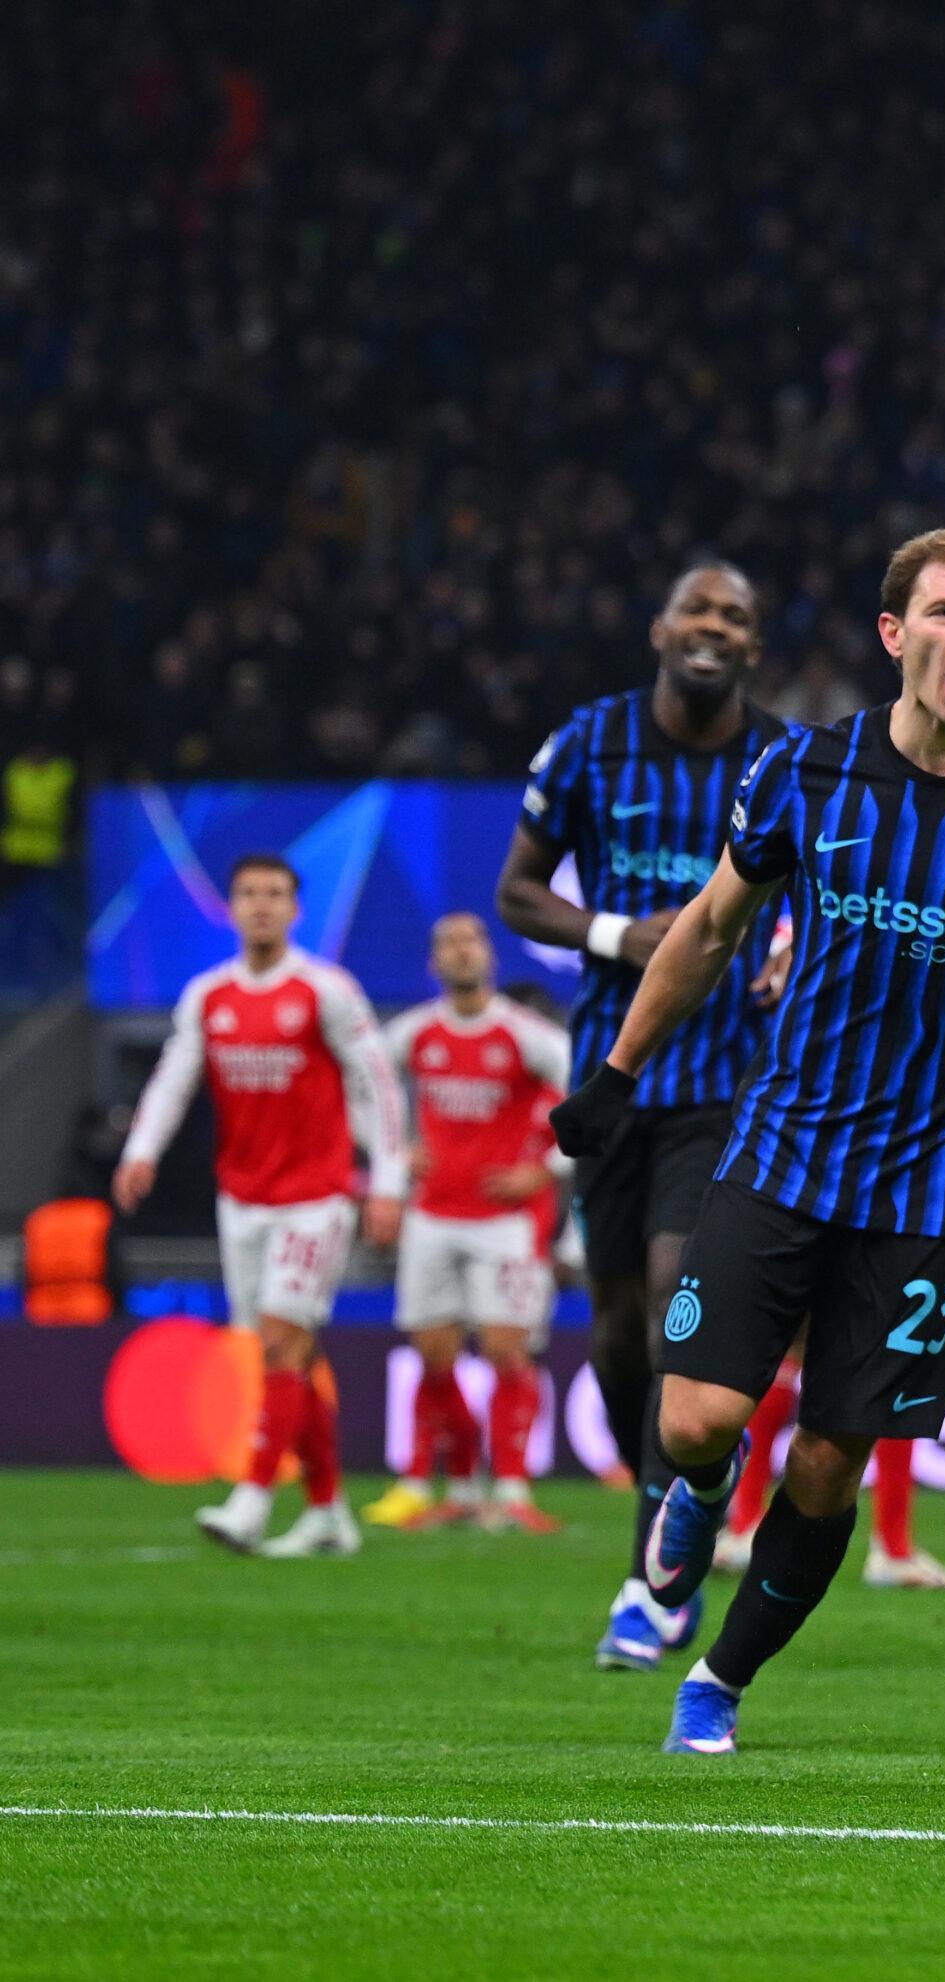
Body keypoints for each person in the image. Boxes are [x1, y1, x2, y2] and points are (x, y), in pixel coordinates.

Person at [548, 524, 945, 1758]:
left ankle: (719, 1678)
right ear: (894, 633)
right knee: (695, 1420)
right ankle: (704, 1489)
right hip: (780, 1156)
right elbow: (711, 927)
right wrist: (616, 1073)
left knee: (826, 1463)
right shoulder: (805, 770)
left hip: (924, 1196)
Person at [496, 561, 789, 1670]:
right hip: (611, 1077)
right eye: (698, 610)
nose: (714, 627)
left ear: (753, 646)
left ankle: (647, 1585)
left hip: (726, 1080)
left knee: (676, 1300)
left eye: (736, 616)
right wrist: (620, 935)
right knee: (618, 1328)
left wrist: (786, 940)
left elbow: (820, 888)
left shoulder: (785, 759)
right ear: (661, 629)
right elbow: (518, 891)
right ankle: (676, 1489)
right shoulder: (589, 744)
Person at [112, 854, 407, 1557]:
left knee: (280, 1341)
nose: (262, 905)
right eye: (248, 894)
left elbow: (376, 1084)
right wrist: (141, 1150)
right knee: (290, 1355)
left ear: (296, 910)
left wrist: (388, 1180)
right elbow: (174, 1077)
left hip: (316, 1196)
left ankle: (252, 1499)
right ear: (232, 907)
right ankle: (328, 1512)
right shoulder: (208, 996)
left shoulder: (326, 991)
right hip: (242, 1198)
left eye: (275, 894)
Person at [713, 1104, 945, 1587]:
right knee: (900, 1354)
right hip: (912, 1187)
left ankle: (745, 1526)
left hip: (816, 1167)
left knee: (794, 1345)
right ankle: (892, 1546)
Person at [364, 913, 573, 1533]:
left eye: (472, 940)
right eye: (449, 944)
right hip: (431, 1216)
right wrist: (393, 1153)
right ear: (433, 963)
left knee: (508, 1352)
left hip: (504, 1223)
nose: (462, 951)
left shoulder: (526, 1035)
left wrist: (545, 1169)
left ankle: (511, 1491)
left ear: (490, 955)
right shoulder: (413, 1033)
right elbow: (361, 1090)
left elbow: (590, 1101)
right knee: (434, 1358)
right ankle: (459, 1485)